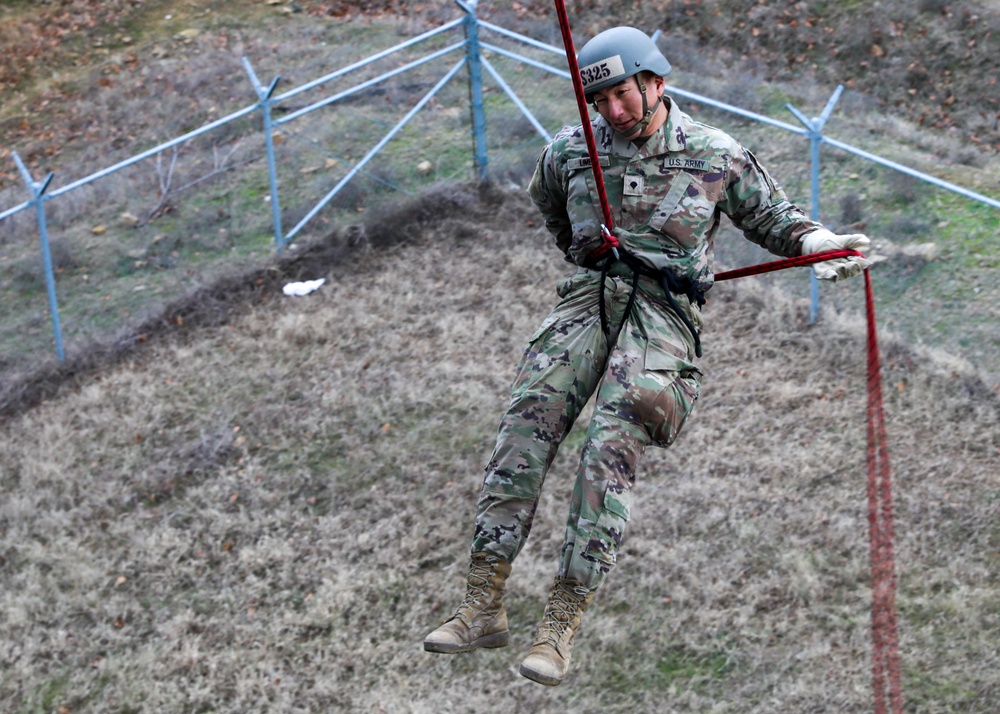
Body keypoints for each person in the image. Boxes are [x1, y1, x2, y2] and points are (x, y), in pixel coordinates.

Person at [423, 26, 870, 686]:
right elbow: (551, 207)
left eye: (622, 95)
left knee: (612, 441)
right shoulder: (570, 152)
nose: (612, 112)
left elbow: (777, 219)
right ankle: (481, 605)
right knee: (523, 433)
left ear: (657, 83)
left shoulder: (713, 154)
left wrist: (822, 245)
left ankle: (560, 622)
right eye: (598, 100)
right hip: (587, 301)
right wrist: (586, 255)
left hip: (663, 317)